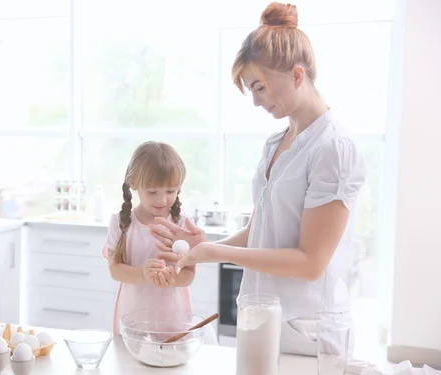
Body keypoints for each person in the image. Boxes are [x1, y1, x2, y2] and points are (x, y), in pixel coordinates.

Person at [150, 2, 367, 356]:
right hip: (262, 316)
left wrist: (214, 251)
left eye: (260, 87)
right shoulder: (276, 145)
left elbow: (311, 263)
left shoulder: (333, 149)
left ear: (298, 75)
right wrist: (198, 250)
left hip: (307, 327)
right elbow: (261, 232)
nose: (255, 101)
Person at [102, 141, 196, 336]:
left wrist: (172, 279)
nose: (162, 200)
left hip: (172, 320)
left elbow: (188, 275)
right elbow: (115, 270)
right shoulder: (121, 223)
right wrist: (144, 275)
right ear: (133, 183)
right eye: (152, 192)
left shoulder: (184, 225)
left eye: (170, 191)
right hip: (132, 320)